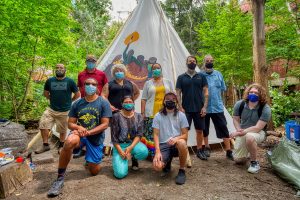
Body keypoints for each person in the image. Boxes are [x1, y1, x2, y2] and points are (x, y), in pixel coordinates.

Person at [47, 78, 112, 197]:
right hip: (79, 134)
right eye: (88, 84)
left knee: (94, 171)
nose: (90, 86)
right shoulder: (77, 103)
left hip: (95, 138)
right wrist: (78, 128)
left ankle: (89, 157)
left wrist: (89, 132)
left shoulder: (103, 103)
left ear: (97, 87)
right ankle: (60, 178)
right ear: (83, 86)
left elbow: (105, 124)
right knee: (69, 142)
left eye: (93, 84)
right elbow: (70, 123)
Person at [36, 64, 80, 154]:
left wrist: (70, 101)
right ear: (55, 70)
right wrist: (51, 99)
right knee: (43, 124)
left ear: (65, 70)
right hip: (51, 109)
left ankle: (61, 146)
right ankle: (45, 145)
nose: (59, 69)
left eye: (61, 68)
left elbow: (77, 94)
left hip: (65, 110)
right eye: (57, 68)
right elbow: (46, 93)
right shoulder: (49, 81)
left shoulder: (70, 81)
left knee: (62, 129)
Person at [230, 83, 271, 174]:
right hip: (242, 131)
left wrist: (239, 133)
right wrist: (238, 129)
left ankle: (254, 163)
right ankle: (248, 151)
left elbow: (257, 128)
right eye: (251, 92)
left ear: (260, 95)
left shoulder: (265, 108)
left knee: (250, 137)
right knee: (238, 160)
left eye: (256, 93)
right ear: (248, 93)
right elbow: (236, 119)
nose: (253, 94)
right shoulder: (240, 104)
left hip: (259, 132)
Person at [176, 55, 209, 160]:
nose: (192, 62)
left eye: (194, 61)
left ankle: (199, 150)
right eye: (190, 61)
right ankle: (184, 151)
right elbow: (178, 94)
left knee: (199, 130)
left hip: (199, 109)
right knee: (185, 132)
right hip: (186, 109)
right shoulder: (181, 77)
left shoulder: (201, 76)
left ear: (196, 63)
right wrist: (180, 107)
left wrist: (205, 107)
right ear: (186, 63)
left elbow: (206, 92)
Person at [201, 55, 233, 160]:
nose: (209, 62)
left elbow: (223, 88)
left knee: (223, 127)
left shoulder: (218, 74)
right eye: (207, 60)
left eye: (211, 60)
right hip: (204, 107)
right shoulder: (200, 75)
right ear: (204, 62)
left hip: (217, 107)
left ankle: (228, 150)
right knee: (204, 129)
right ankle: (206, 147)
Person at [152, 92, 189, 185]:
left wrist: (177, 139)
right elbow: (156, 135)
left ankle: (181, 170)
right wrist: (157, 151)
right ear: (164, 101)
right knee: (157, 166)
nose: (170, 101)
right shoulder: (158, 116)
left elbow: (185, 135)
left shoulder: (181, 115)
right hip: (163, 144)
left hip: (176, 144)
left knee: (182, 143)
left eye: (173, 99)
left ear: (176, 102)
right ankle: (167, 163)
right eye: (168, 99)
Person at [141, 63, 174, 158]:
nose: (156, 70)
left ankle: (163, 153)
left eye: (158, 68)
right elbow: (143, 99)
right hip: (151, 112)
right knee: (151, 134)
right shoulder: (148, 83)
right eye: (154, 69)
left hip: (165, 112)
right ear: (151, 71)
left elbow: (173, 96)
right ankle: (152, 154)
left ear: (161, 69)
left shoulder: (168, 82)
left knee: (164, 133)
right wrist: (143, 113)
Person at [110, 96, 148, 179]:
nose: (128, 104)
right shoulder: (116, 116)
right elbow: (114, 137)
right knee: (120, 174)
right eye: (126, 102)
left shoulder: (138, 116)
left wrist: (130, 148)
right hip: (120, 146)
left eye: (130, 102)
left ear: (134, 103)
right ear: (122, 104)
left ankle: (133, 157)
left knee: (144, 152)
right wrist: (121, 152)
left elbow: (139, 134)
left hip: (133, 144)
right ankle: (124, 160)